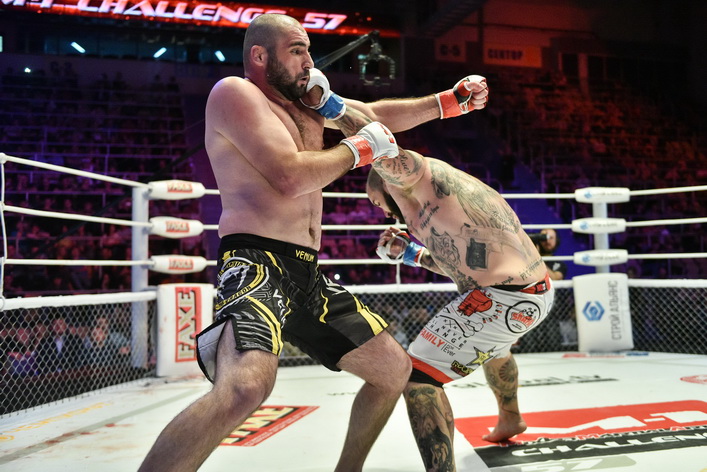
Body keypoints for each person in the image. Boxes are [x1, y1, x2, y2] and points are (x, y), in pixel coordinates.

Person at [139, 13, 489, 472]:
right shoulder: (234, 93)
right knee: (245, 388)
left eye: (308, 50)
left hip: (306, 271)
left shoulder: (305, 105)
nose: (308, 61)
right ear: (260, 56)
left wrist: (447, 102)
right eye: (296, 50)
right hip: (256, 261)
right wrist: (360, 148)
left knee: (392, 370)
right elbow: (289, 176)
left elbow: (375, 116)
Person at [365, 148, 554, 471]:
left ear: (388, 182)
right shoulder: (439, 209)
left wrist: (339, 120)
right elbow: (460, 265)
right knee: (496, 350)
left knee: (416, 375)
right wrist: (411, 254)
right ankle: (511, 418)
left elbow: (383, 147)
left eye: (376, 202)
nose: (382, 212)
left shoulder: (426, 181)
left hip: (504, 298)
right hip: (536, 293)